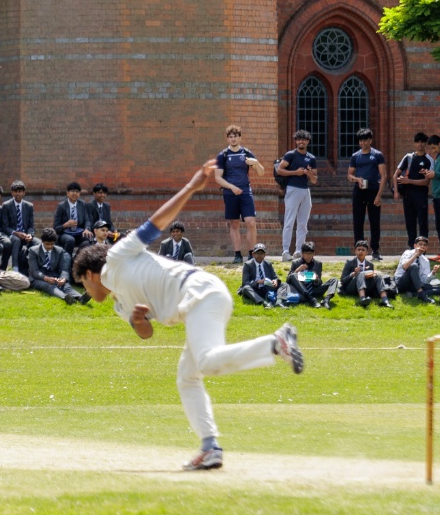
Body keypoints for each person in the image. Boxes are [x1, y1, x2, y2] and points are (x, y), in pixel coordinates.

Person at [71, 160, 304, 470]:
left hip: (199, 292)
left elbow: (156, 222)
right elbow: (145, 333)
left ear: (89, 274)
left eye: (83, 284)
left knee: (206, 361)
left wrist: (193, 186)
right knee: (188, 378)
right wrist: (140, 322)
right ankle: (210, 447)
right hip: (198, 302)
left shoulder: (116, 257)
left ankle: (277, 343)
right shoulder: (119, 304)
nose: (86, 292)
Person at [213, 126, 265, 262]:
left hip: (246, 192)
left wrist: (256, 163)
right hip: (230, 193)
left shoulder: (246, 153)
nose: (233, 139)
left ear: (240, 137)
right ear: (227, 138)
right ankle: (237, 255)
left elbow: (261, 172)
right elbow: (218, 177)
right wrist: (232, 187)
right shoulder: (223, 155)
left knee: (251, 222)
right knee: (234, 224)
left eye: (235, 136)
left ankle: (251, 254)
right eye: (230, 136)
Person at [275, 131, 319, 261]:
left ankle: (299, 250)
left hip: (305, 191)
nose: (301, 142)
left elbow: (314, 180)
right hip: (292, 189)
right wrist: (296, 172)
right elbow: (280, 170)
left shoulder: (311, 158)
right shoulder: (290, 155)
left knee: (303, 223)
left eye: (304, 140)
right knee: (289, 221)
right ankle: (285, 251)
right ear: (296, 141)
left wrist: (309, 173)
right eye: (299, 139)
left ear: (308, 142)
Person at [347, 128, 387, 257]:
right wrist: (356, 179)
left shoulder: (377, 155)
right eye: (360, 141)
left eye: (365, 140)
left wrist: (379, 195)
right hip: (359, 190)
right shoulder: (355, 156)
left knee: (374, 221)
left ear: (370, 140)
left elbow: (383, 176)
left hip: (373, 190)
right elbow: (349, 175)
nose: (363, 143)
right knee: (358, 221)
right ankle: (359, 249)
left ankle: (375, 249)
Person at [394, 132, 434, 251]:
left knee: (422, 222)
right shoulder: (408, 157)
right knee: (409, 222)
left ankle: (423, 248)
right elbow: (395, 174)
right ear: (414, 143)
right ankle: (412, 248)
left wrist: (409, 181)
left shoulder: (429, 159)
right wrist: (396, 191)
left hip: (421, 195)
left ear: (425, 143)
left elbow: (426, 182)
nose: (420, 144)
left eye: (422, 142)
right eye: (418, 142)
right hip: (407, 195)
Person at [28, 228, 83, 304]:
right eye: (47, 244)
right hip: (37, 278)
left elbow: (63, 268)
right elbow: (34, 271)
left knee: (66, 285)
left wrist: (63, 278)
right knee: (48, 286)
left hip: (53, 276)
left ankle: (80, 297)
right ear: (42, 242)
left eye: (52, 244)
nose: (50, 246)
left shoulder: (59, 251)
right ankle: (65, 297)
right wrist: (46, 278)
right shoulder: (33, 251)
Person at [341, 240, 394, 308]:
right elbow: (343, 281)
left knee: (378, 276)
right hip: (351, 287)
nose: (360, 251)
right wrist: (353, 274)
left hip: (366, 287)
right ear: (355, 251)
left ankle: (385, 301)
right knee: (360, 274)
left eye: (363, 250)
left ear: (366, 252)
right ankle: (363, 299)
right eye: (358, 249)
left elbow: (371, 279)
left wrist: (373, 276)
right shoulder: (350, 262)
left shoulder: (370, 264)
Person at [283, 243, 335, 308]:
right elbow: (288, 280)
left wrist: (316, 280)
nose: (309, 256)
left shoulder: (318, 264)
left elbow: (319, 283)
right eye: (307, 254)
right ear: (302, 253)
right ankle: (311, 299)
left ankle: (326, 300)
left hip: (313, 289)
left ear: (314, 253)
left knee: (334, 280)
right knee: (293, 275)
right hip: (300, 290)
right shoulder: (296, 263)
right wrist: (297, 270)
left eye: (311, 253)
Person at [4, 181, 38, 275]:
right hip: (12, 234)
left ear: (24, 193)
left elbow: (31, 226)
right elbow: (4, 227)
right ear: (12, 193)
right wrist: (15, 233)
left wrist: (30, 235)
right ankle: (15, 269)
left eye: (20, 191)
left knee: (38, 243)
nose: (17, 194)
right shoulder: (6, 205)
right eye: (15, 191)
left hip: (25, 235)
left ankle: (35, 270)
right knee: (16, 240)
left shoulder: (29, 206)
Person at [52, 181, 94, 255]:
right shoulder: (61, 206)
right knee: (70, 240)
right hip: (64, 233)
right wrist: (66, 225)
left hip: (79, 232)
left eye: (77, 191)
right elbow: (56, 227)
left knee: (88, 238)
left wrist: (87, 229)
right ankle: (66, 260)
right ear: (67, 193)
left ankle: (78, 258)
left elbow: (87, 219)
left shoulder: (83, 204)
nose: (74, 193)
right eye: (72, 191)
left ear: (79, 194)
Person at [394, 237, 439, 301]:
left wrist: (433, 272)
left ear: (427, 248)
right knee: (414, 266)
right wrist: (415, 255)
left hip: (415, 284)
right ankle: (421, 294)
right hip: (401, 282)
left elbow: (424, 280)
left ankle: (414, 294)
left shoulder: (425, 261)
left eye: (424, 245)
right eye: (420, 244)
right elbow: (405, 267)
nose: (422, 247)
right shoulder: (407, 253)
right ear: (415, 246)